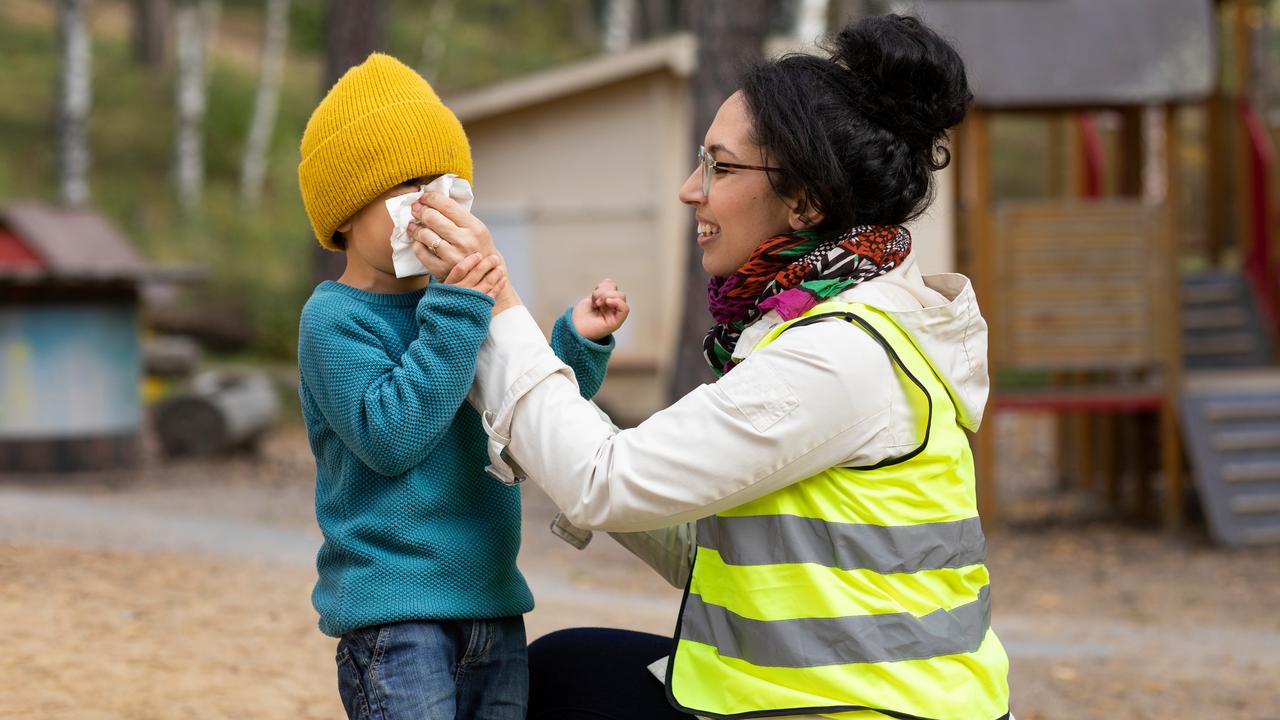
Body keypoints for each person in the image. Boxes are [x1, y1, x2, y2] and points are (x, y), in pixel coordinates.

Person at [414, 13, 1010, 720]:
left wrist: (490, 300)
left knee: (562, 682)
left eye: (719, 167)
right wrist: (566, 444)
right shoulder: (839, 326)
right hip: (859, 699)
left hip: (865, 709)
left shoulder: (839, 355)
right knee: (567, 670)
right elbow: (700, 539)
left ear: (807, 200)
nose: (690, 191)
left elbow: (606, 483)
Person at [295, 53, 629, 720]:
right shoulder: (334, 320)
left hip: (492, 606)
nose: (433, 203)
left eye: (445, 183)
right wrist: (458, 308)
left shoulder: (460, 303)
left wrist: (578, 346)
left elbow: (519, 412)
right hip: (395, 619)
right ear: (345, 208)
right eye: (407, 186)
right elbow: (392, 436)